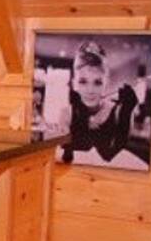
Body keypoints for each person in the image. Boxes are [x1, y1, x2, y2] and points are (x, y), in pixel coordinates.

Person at [57, 40, 146, 169]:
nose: (90, 90)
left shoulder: (116, 111)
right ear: (74, 83)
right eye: (83, 81)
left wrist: (127, 111)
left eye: (97, 82)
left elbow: (110, 155)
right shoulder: (66, 114)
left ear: (106, 84)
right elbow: (66, 156)